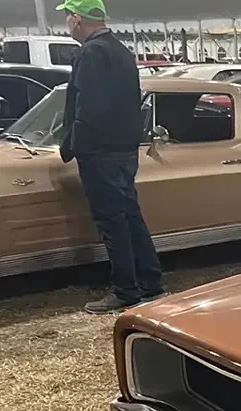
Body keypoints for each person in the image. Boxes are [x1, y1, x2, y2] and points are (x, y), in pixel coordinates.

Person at [57, 0, 164, 315]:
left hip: (99, 151)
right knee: (130, 215)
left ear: (77, 20)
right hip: (123, 148)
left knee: (111, 221)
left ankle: (125, 290)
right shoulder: (121, 51)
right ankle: (150, 282)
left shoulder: (90, 53)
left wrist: (73, 145)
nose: (67, 24)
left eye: (68, 18)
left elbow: (88, 108)